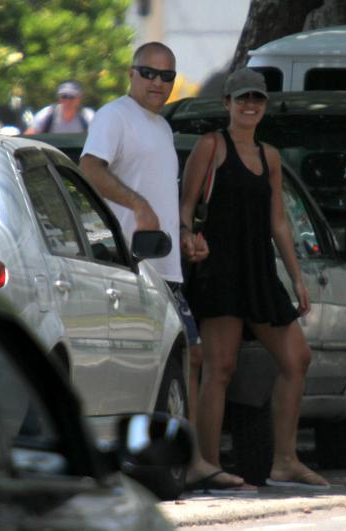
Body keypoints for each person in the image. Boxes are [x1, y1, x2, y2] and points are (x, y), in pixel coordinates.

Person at [79, 41, 251, 493]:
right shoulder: (115, 116)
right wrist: (136, 205)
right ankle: (185, 461)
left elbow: (158, 192)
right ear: (131, 73)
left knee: (184, 358)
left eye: (167, 76)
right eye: (149, 73)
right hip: (133, 265)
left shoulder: (158, 126)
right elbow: (90, 167)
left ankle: (178, 460)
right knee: (186, 356)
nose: (158, 83)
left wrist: (185, 233)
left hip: (167, 261)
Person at [179, 67, 329, 489]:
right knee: (219, 367)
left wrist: (297, 278)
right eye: (242, 98)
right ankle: (209, 465)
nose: (249, 105)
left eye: (257, 99)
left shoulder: (270, 156)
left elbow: (278, 221)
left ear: (265, 105)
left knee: (297, 358)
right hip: (219, 269)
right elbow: (186, 206)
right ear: (226, 103)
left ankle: (284, 459)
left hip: (259, 269)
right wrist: (188, 236)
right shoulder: (211, 146)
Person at [25, 81, 94, 134]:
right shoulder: (48, 113)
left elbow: (100, 137)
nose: (67, 100)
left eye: (71, 97)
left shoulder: (87, 116)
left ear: (79, 98)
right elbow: (28, 136)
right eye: (64, 96)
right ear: (59, 98)